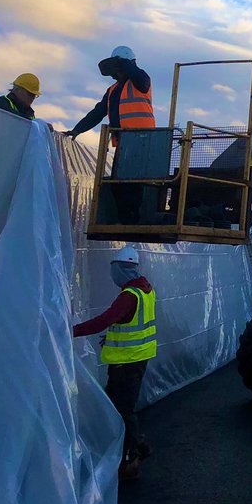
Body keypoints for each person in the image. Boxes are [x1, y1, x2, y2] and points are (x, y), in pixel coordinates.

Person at [72, 246, 157, 481]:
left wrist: (71, 331)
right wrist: (111, 335)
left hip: (126, 363)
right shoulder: (145, 289)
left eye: (114, 269)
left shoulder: (129, 295)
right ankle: (137, 446)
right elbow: (128, 322)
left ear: (121, 269)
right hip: (137, 357)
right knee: (118, 406)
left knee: (122, 409)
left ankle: (131, 458)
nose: (113, 274)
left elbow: (105, 320)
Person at [66, 46, 155, 222]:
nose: (114, 74)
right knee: (118, 183)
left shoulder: (140, 79)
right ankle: (125, 219)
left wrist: (124, 63)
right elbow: (97, 113)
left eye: (116, 68)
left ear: (125, 64)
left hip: (142, 140)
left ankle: (132, 220)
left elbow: (139, 78)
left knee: (133, 184)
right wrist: (77, 129)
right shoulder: (113, 91)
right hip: (124, 143)